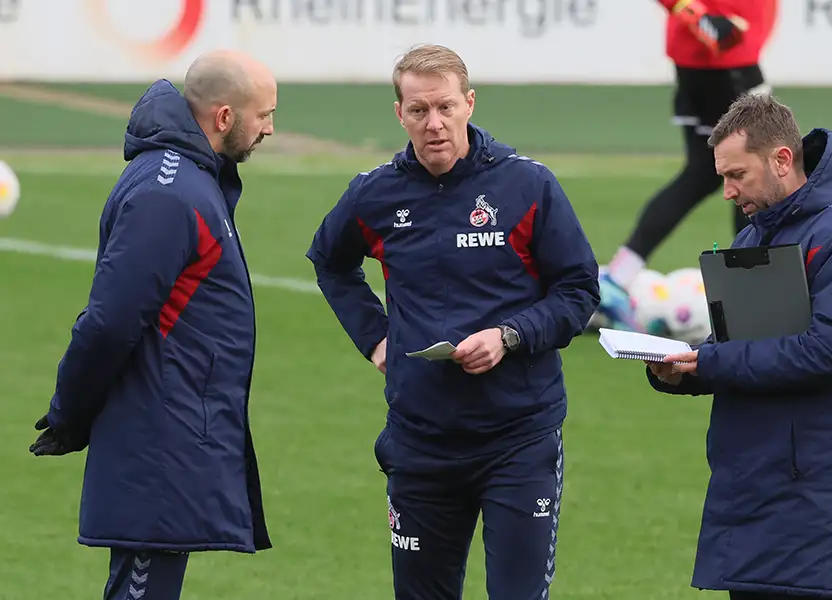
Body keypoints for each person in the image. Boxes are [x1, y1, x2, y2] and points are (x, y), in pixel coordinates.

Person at [306, 44, 599, 600]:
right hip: (421, 441)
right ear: (399, 114)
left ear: (469, 103)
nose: (433, 123)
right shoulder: (375, 193)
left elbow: (579, 289)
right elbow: (330, 261)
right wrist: (374, 338)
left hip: (518, 437)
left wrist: (510, 337)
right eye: (418, 111)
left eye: (444, 107)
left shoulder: (527, 186)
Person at [28, 49, 277, 600]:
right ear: (224, 117)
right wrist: (70, 413)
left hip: (172, 431)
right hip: (159, 440)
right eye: (263, 115)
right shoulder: (171, 193)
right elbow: (111, 322)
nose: (270, 129)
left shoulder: (189, 180)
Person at [646, 94, 832, 600]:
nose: (727, 192)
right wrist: (687, 369)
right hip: (753, 484)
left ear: (781, 159)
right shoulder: (755, 237)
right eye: (722, 177)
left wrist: (713, 358)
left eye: (737, 175)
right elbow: (741, 347)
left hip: (814, 498)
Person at [593, 0, 778, 333]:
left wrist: (694, 14)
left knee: (704, 173)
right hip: (725, 59)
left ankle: (618, 277)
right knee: (753, 173)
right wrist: (699, 16)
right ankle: (750, 293)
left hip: (716, 55)